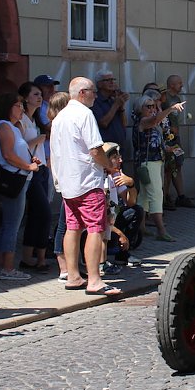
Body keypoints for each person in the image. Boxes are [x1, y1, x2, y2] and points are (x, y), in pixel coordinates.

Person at [50, 77, 122, 296]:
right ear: (82, 93)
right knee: (94, 229)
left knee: (73, 228)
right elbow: (95, 149)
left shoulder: (60, 117)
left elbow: (54, 152)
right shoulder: (84, 114)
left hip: (68, 182)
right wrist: (108, 166)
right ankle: (94, 280)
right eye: (92, 91)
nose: (96, 95)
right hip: (87, 181)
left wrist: (58, 179)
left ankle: (73, 276)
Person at [0, 93, 41, 280]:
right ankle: (7, 268)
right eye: (18, 105)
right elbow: (8, 155)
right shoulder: (4, 126)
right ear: (8, 107)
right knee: (12, 225)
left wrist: (30, 159)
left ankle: (1, 266)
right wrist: (28, 166)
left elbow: (17, 152)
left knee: (10, 224)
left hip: (21, 178)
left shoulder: (13, 128)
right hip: (14, 179)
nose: (21, 109)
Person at [132, 90, 184, 241]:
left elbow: (156, 140)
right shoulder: (143, 121)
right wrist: (171, 109)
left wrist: (169, 148)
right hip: (148, 163)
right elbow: (154, 120)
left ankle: (140, 227)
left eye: (154, 106)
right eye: (148, 106)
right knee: (156, 194)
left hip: (154, 161)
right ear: (140, 109)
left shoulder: (151, 123)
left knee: (144, 196)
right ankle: (161, 230)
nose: (152, 109)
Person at [16, 82, 52, 273]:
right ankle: (31, 257)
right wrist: (37, 140)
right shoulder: (21, 119)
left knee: (38, 215)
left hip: (42, 168)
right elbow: (19, 147)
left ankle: (37, 258)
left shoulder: (36, 118)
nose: (39, 97)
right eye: (35, 94)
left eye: (40, 94)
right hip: (29, 171)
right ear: (25, 98)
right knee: (44, 213)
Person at [45, 92, 71, 282]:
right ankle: (63, 265)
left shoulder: (60, 123)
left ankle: (70, 264)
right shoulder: (60, 124)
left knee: (70, 223)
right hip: (67, 179)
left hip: (69, 178)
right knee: (64, 222)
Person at [161, 74, 194, 208]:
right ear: (172, 85)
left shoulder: (177, 98)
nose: (182, 85)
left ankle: (180, 196)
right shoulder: (165, 97)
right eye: (179, 83)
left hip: (175, 137)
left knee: (178, 163)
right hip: (167, 136)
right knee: (169, 167)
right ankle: (166, 196)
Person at [90, 70, 129, 148]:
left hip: (120, 146)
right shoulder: (95, 100)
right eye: (107, 80)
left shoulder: (113, 99)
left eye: (113, 80)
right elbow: (103, 123)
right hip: (106, 148)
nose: (112, 82)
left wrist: (121, 106)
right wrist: (116, 104)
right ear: (99, 84)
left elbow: (124, 123)